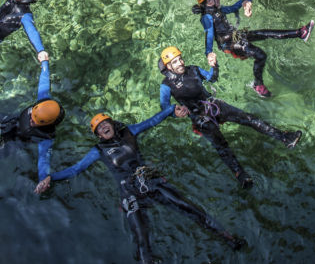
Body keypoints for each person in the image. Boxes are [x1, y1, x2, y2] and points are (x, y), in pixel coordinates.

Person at [37, 108, 245, 263]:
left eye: (106, 123)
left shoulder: (129, 132)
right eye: (100, 128)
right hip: (129, 192)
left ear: (112, 123)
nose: (104, 127)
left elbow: (152, 121)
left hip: (150, 180)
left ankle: (226, 236)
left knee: (188, 207)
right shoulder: (98, 151)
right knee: (141, 234)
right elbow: (76, 169)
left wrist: (172, 110)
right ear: (98, 134)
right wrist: (51, 178)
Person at [157, 46, 300, 188]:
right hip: (200, 117)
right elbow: (165, 107)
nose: (181, 62)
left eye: (180, 59)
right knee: (221, 145)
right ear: (168, 66)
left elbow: (212, 78)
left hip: (214, 105)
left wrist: (214, 65)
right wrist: (174, 113)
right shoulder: (166, 85)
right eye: (175, 62)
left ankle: (284, 137)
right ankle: (240, 174)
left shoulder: (193, 69)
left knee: (249, 119)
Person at [193, 0, 314, 99]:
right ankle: (258, 85)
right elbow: (208, 35)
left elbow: (232, 8)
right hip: (229, 44)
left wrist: (243, 2)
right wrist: (208, 53)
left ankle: (300, 33)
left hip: (236, 37)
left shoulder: (217, 10)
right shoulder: (207, 18)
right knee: (260, 55)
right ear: (209, 1)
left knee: (264, 33)